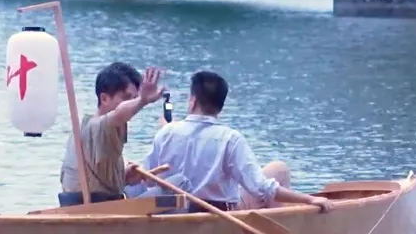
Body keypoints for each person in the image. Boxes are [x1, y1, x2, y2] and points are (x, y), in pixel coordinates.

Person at [139, 70, 334, 213]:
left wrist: (168, 131)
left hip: (175, 211)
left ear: (193, 100)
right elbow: (261, 187)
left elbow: (148, 179)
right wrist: (309, 199)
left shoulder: (166, 133)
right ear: (221, 107)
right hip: (220, 214)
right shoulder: (230, 139)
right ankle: (283, 224)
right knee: (279, 169)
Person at [58, 62, 167, 207]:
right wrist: (142, 101)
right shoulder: (103, 124)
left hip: (96, 201)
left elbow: (96, 179)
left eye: (135, 97)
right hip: (97, 207)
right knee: (179, 182)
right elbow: (119, 113)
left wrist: (123, 176)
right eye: (127, 98)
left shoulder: (86, 125)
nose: (132, 103)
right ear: (104, 98)